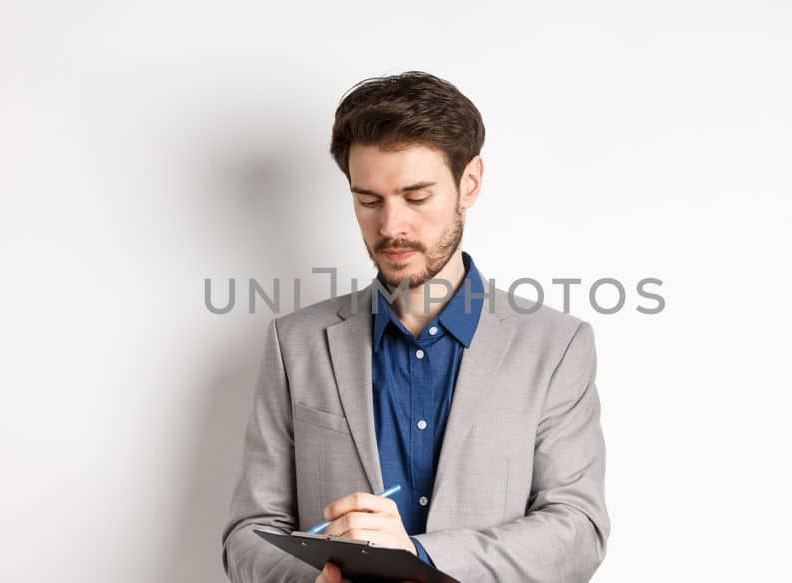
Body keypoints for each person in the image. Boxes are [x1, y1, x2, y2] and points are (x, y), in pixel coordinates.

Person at [221, 71, 609, 583]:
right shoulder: (295, 344)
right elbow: (250, 532)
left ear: (468, 183)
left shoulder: (557, 346)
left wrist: (421, 555)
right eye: (369, 200)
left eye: (416, 196)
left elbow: (579, 532)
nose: (391, 227)